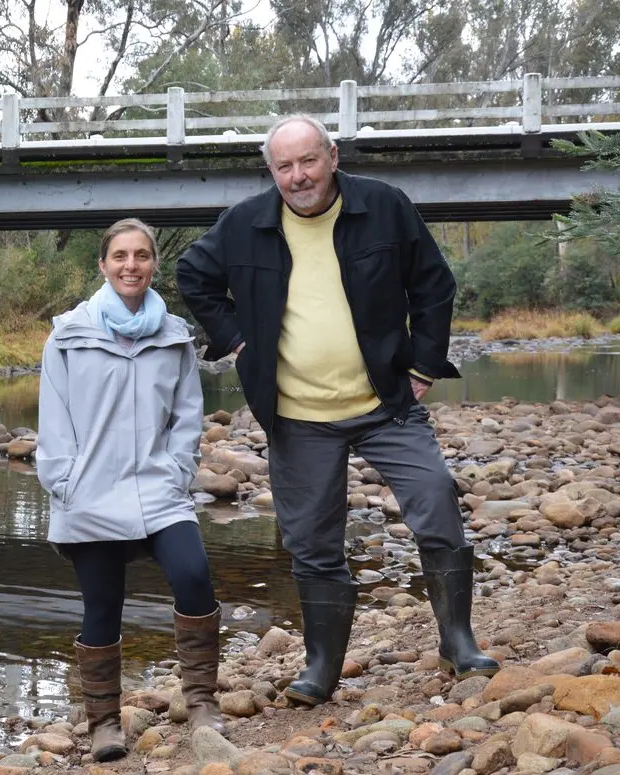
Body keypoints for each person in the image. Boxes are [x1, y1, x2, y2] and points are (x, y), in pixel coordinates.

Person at [175, 115, 498, 707]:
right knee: (312, 542)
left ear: (332, 157)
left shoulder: (384, 206)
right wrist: (237, 340)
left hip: (385, 402)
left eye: (308, 161)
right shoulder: (244, 224)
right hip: (297, 414)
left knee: (435, 499)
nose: (298, 176)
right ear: (272, 171)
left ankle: (458, 640)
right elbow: (192, 274)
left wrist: (425, 366)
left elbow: (434, 285)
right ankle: (322, 666)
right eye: (284, 166)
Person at [36, 218, 223, 762]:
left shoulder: (175, 337)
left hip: (158, 488)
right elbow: (54, 419)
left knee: (193, 576)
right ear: (103, 264)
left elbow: (187, 414)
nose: (131, 265)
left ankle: (202, 702)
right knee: (103, 605)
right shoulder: (68, 335)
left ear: (154, 264)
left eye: (141, 255)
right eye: (120, 255)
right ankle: (103, 724)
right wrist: (64, 482)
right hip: (90, 493)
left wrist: (179, 470)